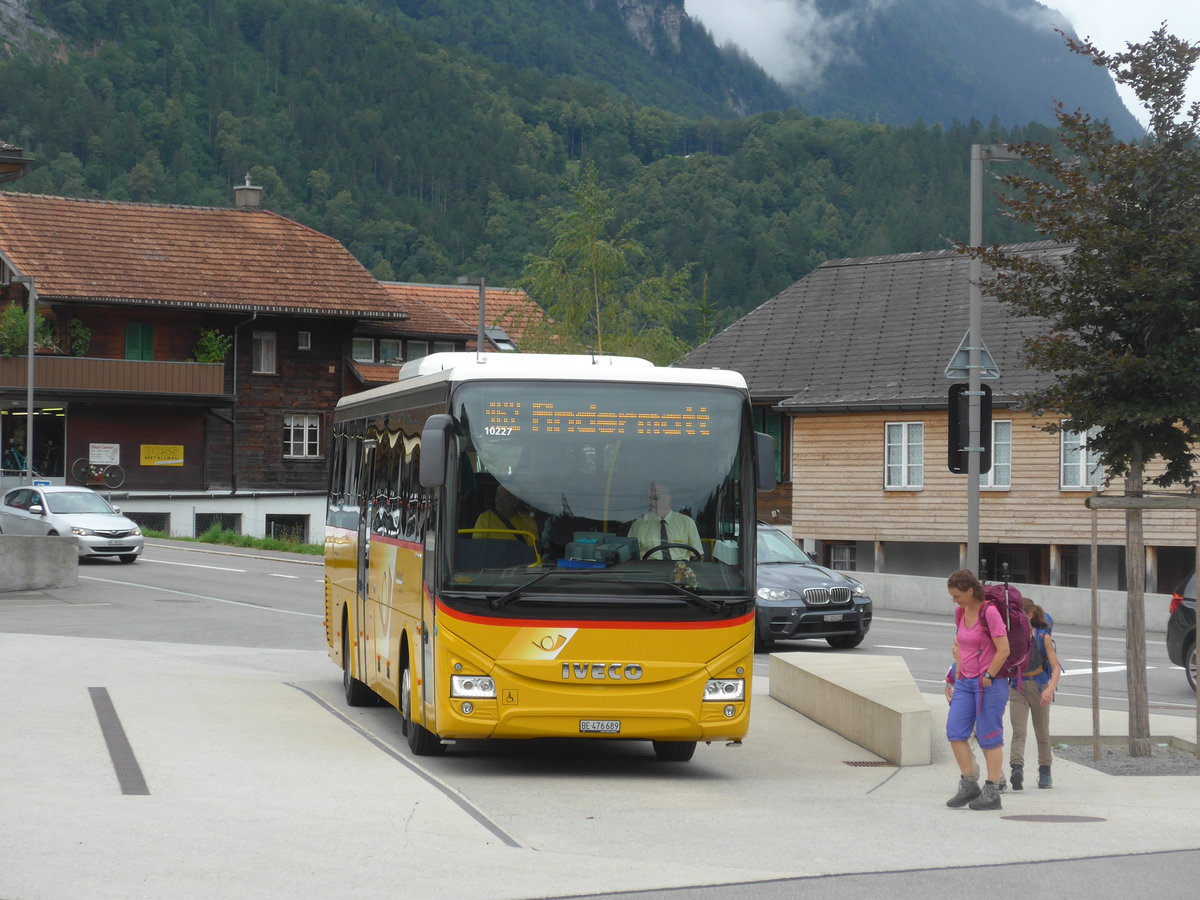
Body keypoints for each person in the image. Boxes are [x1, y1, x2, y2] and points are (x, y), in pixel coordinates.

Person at [945, 568, 1010, 810]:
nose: (954, 600)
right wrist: (957, 673)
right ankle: (969, 782)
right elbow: (959, 644)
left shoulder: (990, 612)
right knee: (955, 731)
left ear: (971, 591)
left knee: (989, 736)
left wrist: (990, 674)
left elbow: (1004, 650)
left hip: (990, 684)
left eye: (957, 595)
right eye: (952, 596)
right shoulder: (960, 612)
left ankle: (992, 790)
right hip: (965, 682)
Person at [1008, 598, 1062, 790]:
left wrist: (1049, 689)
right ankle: (1017, 769)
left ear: (1029, 615)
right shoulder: (1013, 636)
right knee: (1019, 730)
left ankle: (1045, 771)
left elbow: (1056, 668)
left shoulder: (1043, 638)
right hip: (1018, 686)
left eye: (1018, 614)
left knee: (1042, 733)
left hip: (1039, 686)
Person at [626, 483, 702, 561]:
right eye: (651, 498)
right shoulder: (638, 525)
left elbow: (698, 555)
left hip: (680, 569)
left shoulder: (687, 522)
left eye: (657, 497)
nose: (654, 501)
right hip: (649, 569)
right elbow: (630, 556)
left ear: (669, 497)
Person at [473, 485, 538, 548]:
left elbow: (532, 552)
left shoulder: (528, 522)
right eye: (497, 497)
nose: (499, 501)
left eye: (504, 498)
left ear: (515, 501)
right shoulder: (485, 518)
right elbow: (478, 547)